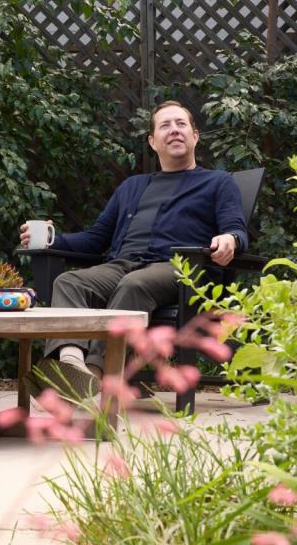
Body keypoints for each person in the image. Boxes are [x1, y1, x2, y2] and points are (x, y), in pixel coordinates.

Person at [19, 100, 248, 397]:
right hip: (123, 264)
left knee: (134, 285)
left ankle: (98, 374)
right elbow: (96, 238)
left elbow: (236, 229)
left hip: (180, 267)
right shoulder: (132, 186)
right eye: (165, 126)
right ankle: (71, 365)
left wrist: (230, 239)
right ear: (153, 142)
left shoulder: (218, 182)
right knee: (69, 281)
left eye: (181, 124)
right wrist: (52, 240)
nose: (174, 130)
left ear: (195, 135)